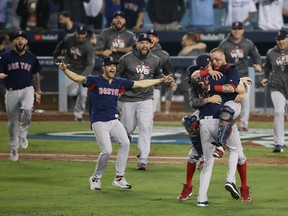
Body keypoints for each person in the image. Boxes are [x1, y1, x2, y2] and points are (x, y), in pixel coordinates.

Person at [55, 57, 174, 190]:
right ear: (103, 68)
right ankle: (95, 178)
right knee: (107, 151)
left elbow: (140, 83)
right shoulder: (95, 80)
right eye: (109, 65)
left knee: (125, 143)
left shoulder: (119, 82)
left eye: (114, 65)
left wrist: (161, 80)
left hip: (113, 120)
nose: (112, 68)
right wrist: (65, 69)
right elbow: (78, 78)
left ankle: (119, 177)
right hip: (99, 121)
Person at [178, 54, 251, 204]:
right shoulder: (209, 77)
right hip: (217, 119)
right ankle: (228, 177)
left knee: (214, 161)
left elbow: (235, 86)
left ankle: (202, 199)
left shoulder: (212, 76)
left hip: (211, 121)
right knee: (235, 151)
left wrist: (241, 85)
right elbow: (196, 80)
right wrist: (209, 97)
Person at [117, 33, 170, 171]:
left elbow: (158, 76)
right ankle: (127, 134)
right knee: (128, 127)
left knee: (146, 127)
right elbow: (116, 76)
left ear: (151, 44)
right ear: (137, 44)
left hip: (146, 98)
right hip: (128, 98)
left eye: (147, 43)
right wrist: (118, 90)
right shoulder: (126, 59)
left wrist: (166, 80)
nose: (144, 45)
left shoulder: (155, 59)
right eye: (142, 43)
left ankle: (143, 159)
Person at [0, 30, 42, 162]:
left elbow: (35, 74)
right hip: (11, 91)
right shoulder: (6, 56)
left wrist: (38, 91)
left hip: (27, 89)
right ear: (13, 42)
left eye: (23, 38)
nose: (20, 41)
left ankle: (23, 133)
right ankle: (14, 148)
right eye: (17, 38)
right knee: (12, 122)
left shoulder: (31, 57)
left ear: (26, 41)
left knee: (28, 110)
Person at [218, 21, 262, 131]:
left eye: (239, 29)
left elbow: (256, 56)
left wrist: (258, 64)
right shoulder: (224, 44)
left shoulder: (248, 43)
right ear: (231, 30)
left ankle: (244, 125)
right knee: (227, 100)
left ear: (243, 30)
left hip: (244, 76)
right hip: (229, 76)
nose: (237, 31)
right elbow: (217, 57)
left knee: (245, 100)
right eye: (234, 29)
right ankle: (226, 122)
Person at [53, 24, 95, 122]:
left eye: (82, 34)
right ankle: (75, 96)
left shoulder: (89, 46)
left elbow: (90, 65)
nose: (80, 36)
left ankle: (79, 115)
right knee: (71, 92)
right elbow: (60, 46)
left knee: (84, 95)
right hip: (69, 69)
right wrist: (55, 54)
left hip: (83, 72)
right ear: (75, 33)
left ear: (85, 34)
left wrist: (82, 78)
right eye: (79, 34)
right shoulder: (69, 39)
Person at [261, 29, 288, 153]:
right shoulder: (271, 52)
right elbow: (266, 68)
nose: (281, 42)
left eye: (283, 39)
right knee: (278, 112)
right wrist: (265, 78)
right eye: (278, 40)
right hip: (277, 87)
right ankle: (279, 143)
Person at [175, 32, 207, 112]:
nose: (182, 42)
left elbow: (203, 45)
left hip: (202, 84)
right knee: (190, 110)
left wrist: (191, 47)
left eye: (184, 40)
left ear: (190, 40)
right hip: (188, 84)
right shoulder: (183, 51)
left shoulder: (201, 49)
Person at [147, 29, 176, 113]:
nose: (151, 39)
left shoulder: (163, 55)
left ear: (157, 40)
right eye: (149, 37)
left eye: (153, 37)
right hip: (138, 87)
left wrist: (166, 110)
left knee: (149, 117)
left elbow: (169, 75)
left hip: (154, 88)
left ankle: (166, 112)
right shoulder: (136, 52)